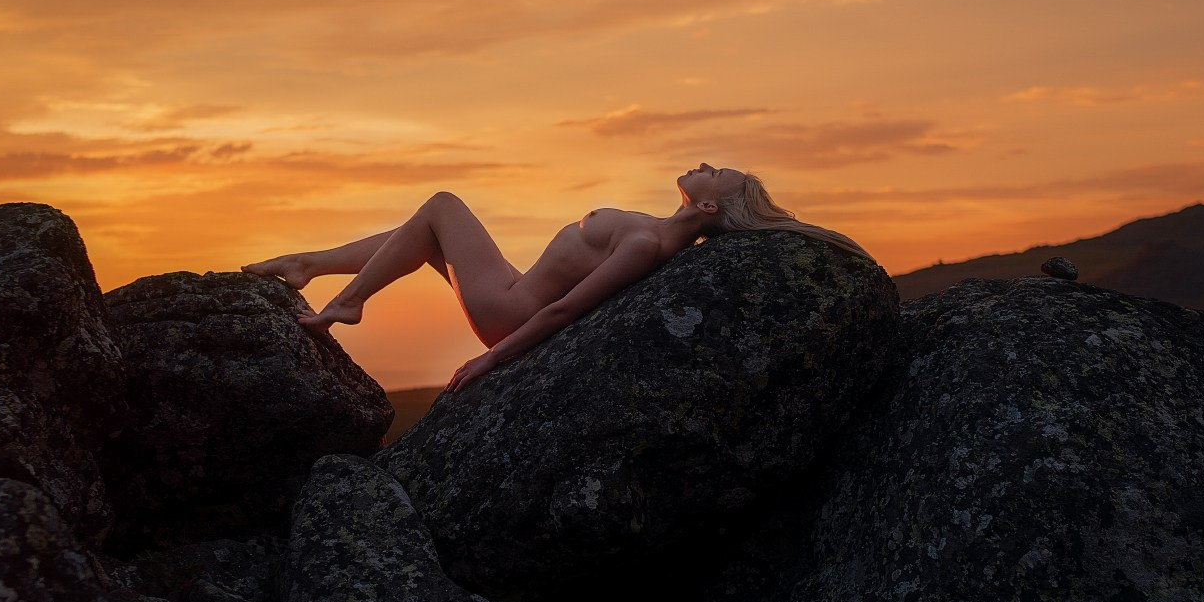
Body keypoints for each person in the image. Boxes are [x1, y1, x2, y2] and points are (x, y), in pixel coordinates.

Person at [243, 163, 871, 392]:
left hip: (511, 312)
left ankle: (344, 302)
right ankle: (310, 265)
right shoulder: (651, 229)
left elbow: (565, 313)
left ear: (709, 207)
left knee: (441, 205)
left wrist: (492, 361)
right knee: (428, 233)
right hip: (514, 291)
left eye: (720, 174)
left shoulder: (647, 244)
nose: (707, 164)